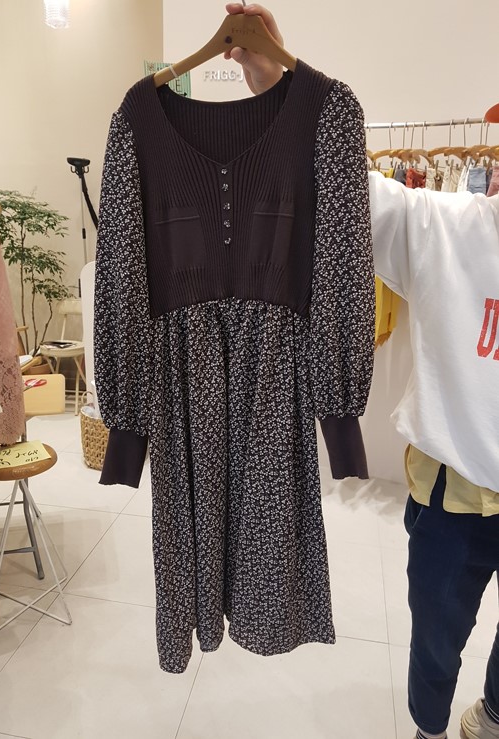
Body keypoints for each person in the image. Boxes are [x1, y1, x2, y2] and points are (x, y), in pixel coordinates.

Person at [224, 4, 499, 739]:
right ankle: (429, 727)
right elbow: (342, 182)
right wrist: (277, 80)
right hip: (453, 492)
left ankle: (495, 712)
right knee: (437, 633)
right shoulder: (446, 227)